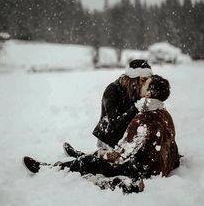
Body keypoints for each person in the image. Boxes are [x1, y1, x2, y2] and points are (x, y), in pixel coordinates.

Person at [23, 75, 180, 193]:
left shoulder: (143, 119)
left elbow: (119, 157)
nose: (141, 83)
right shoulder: (164, 113)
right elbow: (172, 146)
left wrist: (100, 155)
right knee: (98, 157)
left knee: (93, 161)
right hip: (153, 167)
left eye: (145, 83)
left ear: (148, 94)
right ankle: (80, 156)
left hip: (139, 170)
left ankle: (49, 169)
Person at [92, 59, 154, 149]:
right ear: (133, 79)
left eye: (148, 81)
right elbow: (114, 122)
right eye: (143, 80)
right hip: (109, 139)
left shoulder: (143, 91)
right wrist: (136, 107)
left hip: (130, 138)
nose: (146, 85)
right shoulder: (113, 90)